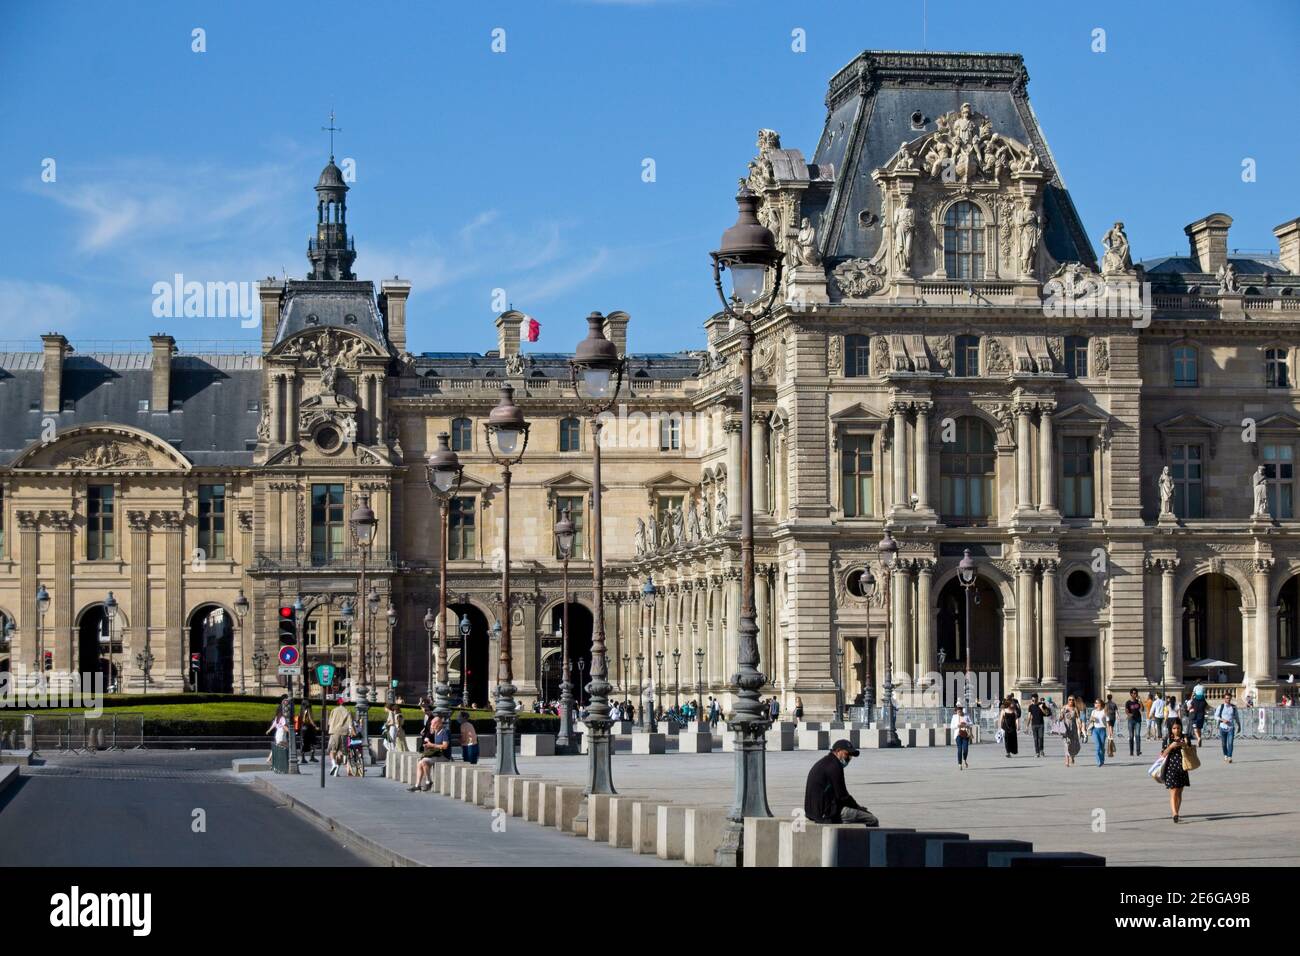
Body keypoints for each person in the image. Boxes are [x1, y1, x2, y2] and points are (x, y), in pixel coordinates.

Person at [803, 739, 878, 826]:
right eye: (847, 754)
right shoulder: (834, 766)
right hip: (825, 813)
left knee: (857, 814)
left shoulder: (827, 762)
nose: (849, 759)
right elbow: (842, 796)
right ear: (838, 751)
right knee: (872, 819)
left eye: (850, 756)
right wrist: (858, 808)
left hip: (813, 811)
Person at [1159, 720, 1192, 822]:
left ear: (1181, 728)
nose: (1176, 730)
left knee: (1179, 792)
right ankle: (1175, 814)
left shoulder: (1185, 737)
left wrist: (1184, 744)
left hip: (1182, 767)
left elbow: (1190, 749)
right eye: (1174, 728)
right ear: (1171, 729)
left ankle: (1177, 812)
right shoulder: (1168, 739)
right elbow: (1163, 754)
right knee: (1173, 792)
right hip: (1171, 768)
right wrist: (1171, 746)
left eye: (1178, 728)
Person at [409, 715, 451, 792]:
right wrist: (428, 745)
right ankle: (417, 785)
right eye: (431, 724)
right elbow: (430, 737)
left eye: (433, 724)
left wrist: (432, 745)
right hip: (436, 755)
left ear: (439, 724)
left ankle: (429, 781)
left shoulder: (445, 732)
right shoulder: (436, 731)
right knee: (420, 763)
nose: (431, 726)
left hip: (444, 756)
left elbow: (445, 746)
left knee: (424, 761)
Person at [326, 699, 356, 776]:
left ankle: (334, 764)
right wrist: (353, 732)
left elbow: (329, 722)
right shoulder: (348, 711)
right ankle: (336, 772)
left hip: (334, 732)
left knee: (332, 750)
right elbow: (350, 724)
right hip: (344, 733)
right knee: (341, 752)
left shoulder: (333, 710)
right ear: (345, 704)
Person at [1215, 694, 1242, 763]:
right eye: (1227, 698)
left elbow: (1237, 717)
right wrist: (1222, 720)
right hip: (1222, 727)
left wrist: (1239, 725)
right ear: (1224, 698)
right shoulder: (1220, 707)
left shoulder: (1233, 707)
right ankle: (1225, 756)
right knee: (1224, 744)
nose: (1228, 700)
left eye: (1229, 698)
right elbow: (1216, 716)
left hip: (1231, 727)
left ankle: (1230, 757)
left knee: (1230, 743)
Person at [266, 700, 290, 764]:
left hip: (278, 734)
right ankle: (283, 760)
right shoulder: (282, 718)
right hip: (281, 734)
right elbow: (284, 726)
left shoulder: (277, 717)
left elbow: (273, 725)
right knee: (285, 746)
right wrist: (290, 732)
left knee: (280, 747)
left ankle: (273, 759)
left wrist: (269, 730)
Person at [1060, 695, 1081, 766]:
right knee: (1066, 744)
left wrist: (1080, 726)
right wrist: (1062, 713)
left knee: (1073, 744)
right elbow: (1060, 718)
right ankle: (1067, 760)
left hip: (1073, 728)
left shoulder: (1075, 708)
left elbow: (1078, 718)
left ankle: (1072, 756)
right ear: (1067, 700)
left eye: (1072, 700)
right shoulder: (1064, 708)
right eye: (1070, 699)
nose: (1071, 701)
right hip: (1066, 728)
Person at [951, 705, 972, 769]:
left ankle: (964, 759)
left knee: (965, 749)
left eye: (960, 711)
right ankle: (959, 764)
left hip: (965, 734)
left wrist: (966, 724)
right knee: (959, 749)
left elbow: (971, 723)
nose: (958, 713)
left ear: (962, 711)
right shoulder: (954, 717)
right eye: (957, 712)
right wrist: (958, 726)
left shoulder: (966, 715)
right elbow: (951, 726)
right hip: (958, 735)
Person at [1089, 698, 1109, 766]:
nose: (1095, 704)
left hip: (1102, 730)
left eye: (1097, 703)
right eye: (1095, 702)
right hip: (1095, 730)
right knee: (1098, 746)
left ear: (1100, 704)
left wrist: (1110, 732)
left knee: (1102, 747)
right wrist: (1092, 719)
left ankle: (1102, 759)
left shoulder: (1104, 711)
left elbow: (1108, 722)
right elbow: (1090, 720)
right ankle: (1099, 761)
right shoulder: (1093, 711)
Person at [1124, 689, 1143, 757]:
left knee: (1137, 735)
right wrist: (1129, 714)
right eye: (1134, 693)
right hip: (1131, 720)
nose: (1136, 694)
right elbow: (1126, 711)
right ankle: (1131, 751)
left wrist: (1140, 701)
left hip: (1138, 720)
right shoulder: (1128, 702)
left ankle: (1138, 751)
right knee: (1131, 736)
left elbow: (1142, 709)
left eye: (1136, 693)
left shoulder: (1138, 702)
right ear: (1131, 694)